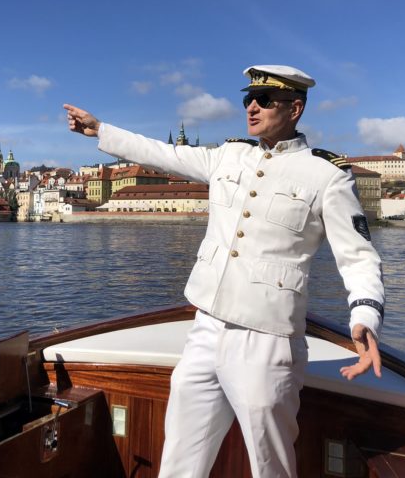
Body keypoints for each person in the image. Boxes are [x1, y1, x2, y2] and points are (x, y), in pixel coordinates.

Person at [63, 64, 385, 478]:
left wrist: (364, 317)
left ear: (295, 108)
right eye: (247, 98)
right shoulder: (228, 155)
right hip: (206, 327)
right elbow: (164, 154)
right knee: (180, 455)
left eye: (264, 100)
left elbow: (358, 256)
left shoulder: (326, 176)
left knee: (270, 464)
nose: (252, 106)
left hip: (266, 339)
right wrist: (101, 130)